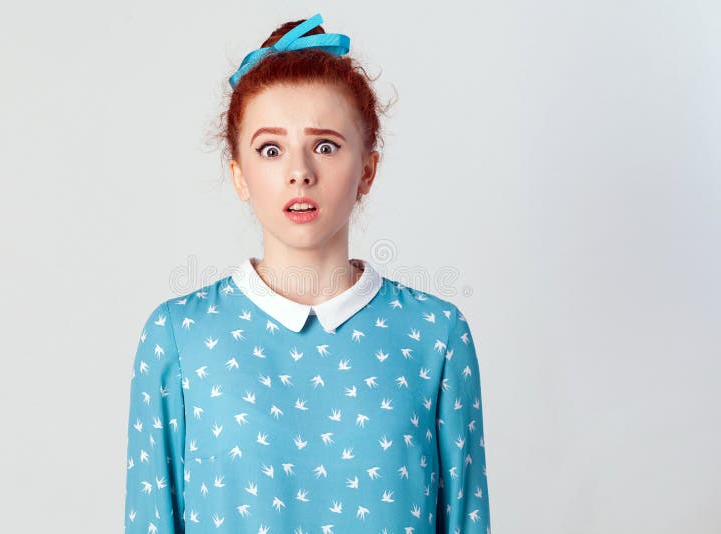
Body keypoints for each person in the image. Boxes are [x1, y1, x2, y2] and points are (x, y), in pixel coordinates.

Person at [123, 13, 491, 533]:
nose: (300, 171)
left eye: (325, 145)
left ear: (367, 170)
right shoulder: (179, 338)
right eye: (270, 150)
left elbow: (466, 520)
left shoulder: (436, 335)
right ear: (239, 175)